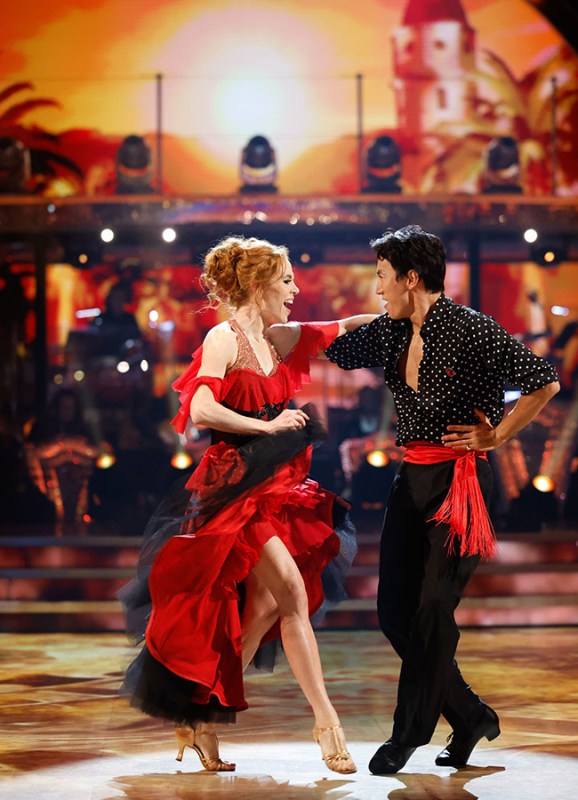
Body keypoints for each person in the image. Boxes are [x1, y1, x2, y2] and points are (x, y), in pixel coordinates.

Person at [121, 235, 375, 775]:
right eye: (286, 280)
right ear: (258, 285)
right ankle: (327, 723)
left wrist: (395, 310)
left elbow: (341, 328)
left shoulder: (277, 338)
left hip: (279, 488)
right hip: (236, 489)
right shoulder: (224, 338)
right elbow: (203, 410)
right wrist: (267, 424)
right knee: (291, 593)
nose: (295, 289)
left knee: (264, 608)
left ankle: (199, 720)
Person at [325, 225, 560, 774]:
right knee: (393, 614)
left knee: (433, 611)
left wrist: (497, 434)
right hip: (410, 484)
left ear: (412, 278)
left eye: (383, 277)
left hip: (458, 487)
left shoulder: (470, 328)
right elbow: (334, 346)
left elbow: (542, 381)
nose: (378, 288)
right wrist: (264, 323)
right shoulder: (391, 331)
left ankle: (406, 736)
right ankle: (471, 715)